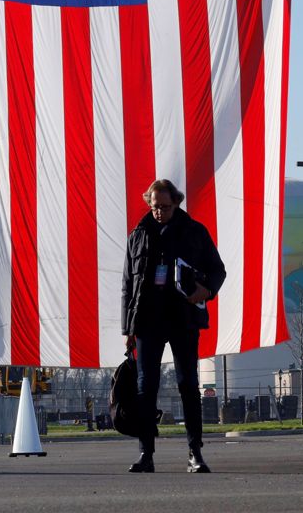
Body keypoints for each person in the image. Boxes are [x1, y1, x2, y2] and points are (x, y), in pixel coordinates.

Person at [121, 179, 226, 474]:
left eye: (165, 207)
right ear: (149, 204)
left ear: (176, 203)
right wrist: (128, 328)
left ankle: (195, 453)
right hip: (147, 321)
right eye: (154, 207)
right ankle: (146, 454)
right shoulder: (138, 236)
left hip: (182, 318)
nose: (159, 212)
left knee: (188, 385)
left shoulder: (194, 232)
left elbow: (218, 270)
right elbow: (127, 285)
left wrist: (206, 291)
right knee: (146, 387)